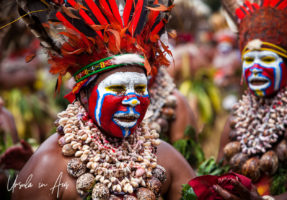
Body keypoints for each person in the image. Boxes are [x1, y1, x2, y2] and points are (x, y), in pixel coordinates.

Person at [11, 0, 195, 199]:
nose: (133, 100)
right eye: (117, 89)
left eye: (141, 88)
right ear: (83, 94)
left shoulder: (164, 158)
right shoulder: (48, 166)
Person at [214, 0, 287, 199]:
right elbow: (219, 175)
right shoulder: (235, 121)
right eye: (249, 60)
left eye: (268, 59)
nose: (255, 68)